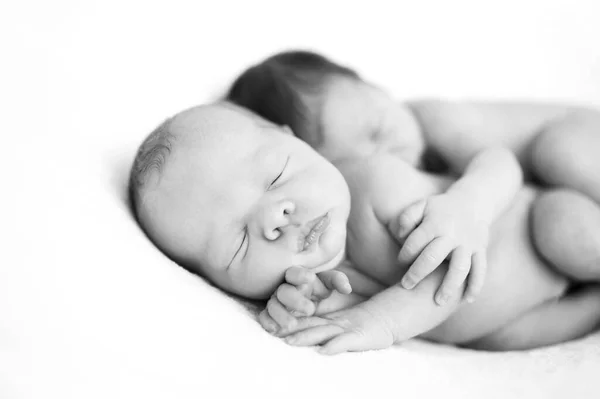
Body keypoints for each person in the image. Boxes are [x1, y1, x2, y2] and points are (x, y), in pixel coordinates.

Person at [129, 103, 600, 354]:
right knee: (498, 340)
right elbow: (357, 303)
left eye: (276, 176)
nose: (277, 217)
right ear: (214, 283)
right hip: (508, 314)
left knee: (567, 231)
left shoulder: (375, 182)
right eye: (238, 242)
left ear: (297, 140)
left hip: (538, 224)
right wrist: (305, 310)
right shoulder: (304, 282)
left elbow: (498, 164)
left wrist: (468, 204)